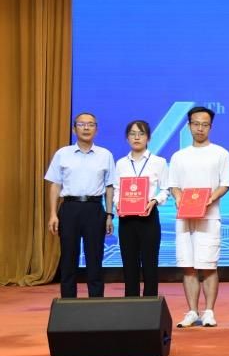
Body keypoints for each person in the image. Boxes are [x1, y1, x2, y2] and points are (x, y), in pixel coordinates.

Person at [168, 106, 229, 327]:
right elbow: (174, 185)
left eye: (205, 125)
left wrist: (209, 199)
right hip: (184, 217)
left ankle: (209, 312)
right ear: (189, 126)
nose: (200, 128)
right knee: (188, 265)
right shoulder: (179, 156)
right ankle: (192, 311)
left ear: (210, 127)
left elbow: (225, 184)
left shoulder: (221, 153)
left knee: (209, 265)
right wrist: (178, 198)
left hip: (209, 217)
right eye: (196, 124)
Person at [44, 112, 116, 298]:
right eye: (82, 124)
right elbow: (55, 185)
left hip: (94, 208)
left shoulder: (105, 155)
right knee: (68, 257)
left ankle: (96, 302)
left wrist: (109, 215)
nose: (86, 128)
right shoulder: (62, 154)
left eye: (90, 124)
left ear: (96, 129)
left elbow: (109, 187)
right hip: (69, 208)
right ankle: (68, 302)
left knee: (95, 257)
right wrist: (53, 214)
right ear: (74, 129)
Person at [113, 120, 169, 297]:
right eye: (132, 134)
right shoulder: (121, 163)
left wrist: (155, 200)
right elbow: (117, 189)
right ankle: (131, 304)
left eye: (141, 133)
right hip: (126, 219)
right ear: (127, 138)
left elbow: (166, 189)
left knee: (150, 262)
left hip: (148, 217)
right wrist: (117, 203)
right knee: (129, 263)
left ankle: (150, 304)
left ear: (148, 138)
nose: (136, 137)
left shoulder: (159, 162)